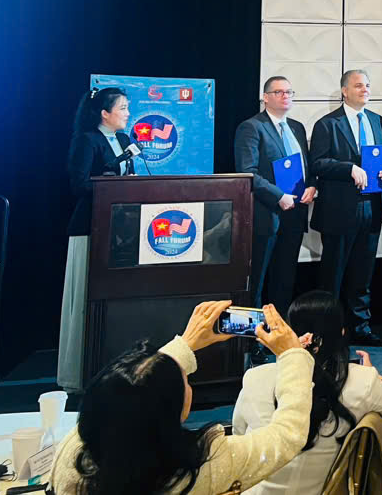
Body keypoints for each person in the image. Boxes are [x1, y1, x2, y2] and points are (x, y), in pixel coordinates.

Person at [51, 300, 312, 495]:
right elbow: (287, 436)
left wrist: (186, 344)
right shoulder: (203, 466)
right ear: (169, 414)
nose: (187, 379)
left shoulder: (74, 455)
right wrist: (292, 355)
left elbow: (133, 394)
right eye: (183, 381)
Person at [233, 291, 382, 494]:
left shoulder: (255, 377)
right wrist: (380, 379)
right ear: (342, 333)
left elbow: (238, 435)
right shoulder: (362, 381)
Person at [307, 69, 382, 348]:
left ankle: (360, 327)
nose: (365, 90)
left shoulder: (376, 120)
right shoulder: (327, 124)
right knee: (332, 276)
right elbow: (317, 163)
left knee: (362, 275)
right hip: (339, 211)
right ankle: (326, 331)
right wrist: (348, 169)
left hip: (372, 207)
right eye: (358, 86)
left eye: (367, 85)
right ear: (344, 91)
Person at [59, 87, 135, 391]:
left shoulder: (125, 141)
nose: (128, 114)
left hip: (121, 231)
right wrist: (112, 186)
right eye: (122, 108)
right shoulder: (87, 140)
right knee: (86, 296)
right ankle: (78, 372)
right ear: (105, 113)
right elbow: (78, 185)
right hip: (90, 227)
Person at [234, 77, 316, 314]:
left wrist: (312, 186)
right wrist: (279, 196)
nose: (285, 96)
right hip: (267, 215)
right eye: (279, 92)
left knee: (285, 278)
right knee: (258, 280)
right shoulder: (251, 127)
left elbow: (307, 166)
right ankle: (254, 333)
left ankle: (280, 327)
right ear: (265, 97)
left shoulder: (297, 127)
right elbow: (247, 172)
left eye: (289, 92)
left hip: (296, 213)